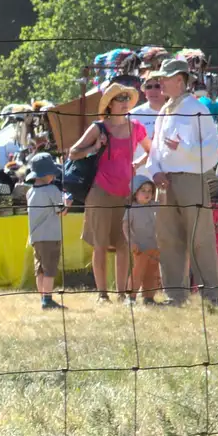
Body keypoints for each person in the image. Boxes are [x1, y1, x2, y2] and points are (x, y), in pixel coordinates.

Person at [145, 58, 218, 307]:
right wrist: (154, 170)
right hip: (165, 182)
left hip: (191, 179)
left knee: (199, 237)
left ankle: (211, 294)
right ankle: (175, 295)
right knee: (168, 238)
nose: (159, 84)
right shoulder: (165, 111)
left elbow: (213, 148)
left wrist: (186, 148)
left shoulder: (196, 108)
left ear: (179, 80)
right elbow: (155, 147)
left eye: (164, 79)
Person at [66, 81, 149, 303]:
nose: (124, 103)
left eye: (126, 99)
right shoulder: (98, 127)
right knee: (100, 245)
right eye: (119, 99)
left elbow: (152, 150)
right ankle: (102, 294)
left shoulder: (137, 127)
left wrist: (137, 165)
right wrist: (94, 148)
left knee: (124, 245)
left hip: (126, 193)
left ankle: (121, 294)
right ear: (109, 105)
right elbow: (73, 153)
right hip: (100, 192)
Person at [25, 153, 66, 311]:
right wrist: (67, 202)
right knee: (50, 269)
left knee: (40, 269)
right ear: (46, 174)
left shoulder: (30, 192)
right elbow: (60, 211)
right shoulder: (52, 190)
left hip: (35, 237)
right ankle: (47, 301)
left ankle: (42, 297)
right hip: (50, 237)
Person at [124, 175, 161, 303]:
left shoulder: (153, 205)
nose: (147, 194)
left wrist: (163, 191)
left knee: (152, 272)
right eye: (143, 190)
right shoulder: (132, 209)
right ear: (135, 193)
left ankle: (149, 297)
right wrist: (131, 241)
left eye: (150, 191)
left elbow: (165, 205)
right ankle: (131, 297)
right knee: (138, 272)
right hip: (139, 247)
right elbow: (125, 226)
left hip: (154, 246)